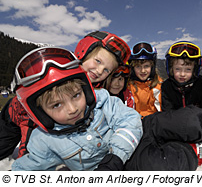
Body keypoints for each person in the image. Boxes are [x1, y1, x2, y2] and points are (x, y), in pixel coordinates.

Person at [0, 31, 131, 160]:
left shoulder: (99, 91)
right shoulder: (55, 76)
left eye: (107, 69)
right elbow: (29, 135)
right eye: (97, 61)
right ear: (83, 52)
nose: (100, 70)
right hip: (17, 119)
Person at [161, 41, 202, 110]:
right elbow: (167, 112)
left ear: (194, 70)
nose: (182, 74)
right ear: (171, 69)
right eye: (177, 69)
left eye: (188, 69)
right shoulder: (167, 87)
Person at [127, 42, 163, 118]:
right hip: (134, 124)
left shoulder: (159, 86)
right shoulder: (128, 87)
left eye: (146, 66)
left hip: (155, 123)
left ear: (152, 67)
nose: (143, 70)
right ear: (132, 69)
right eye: (138, 67)